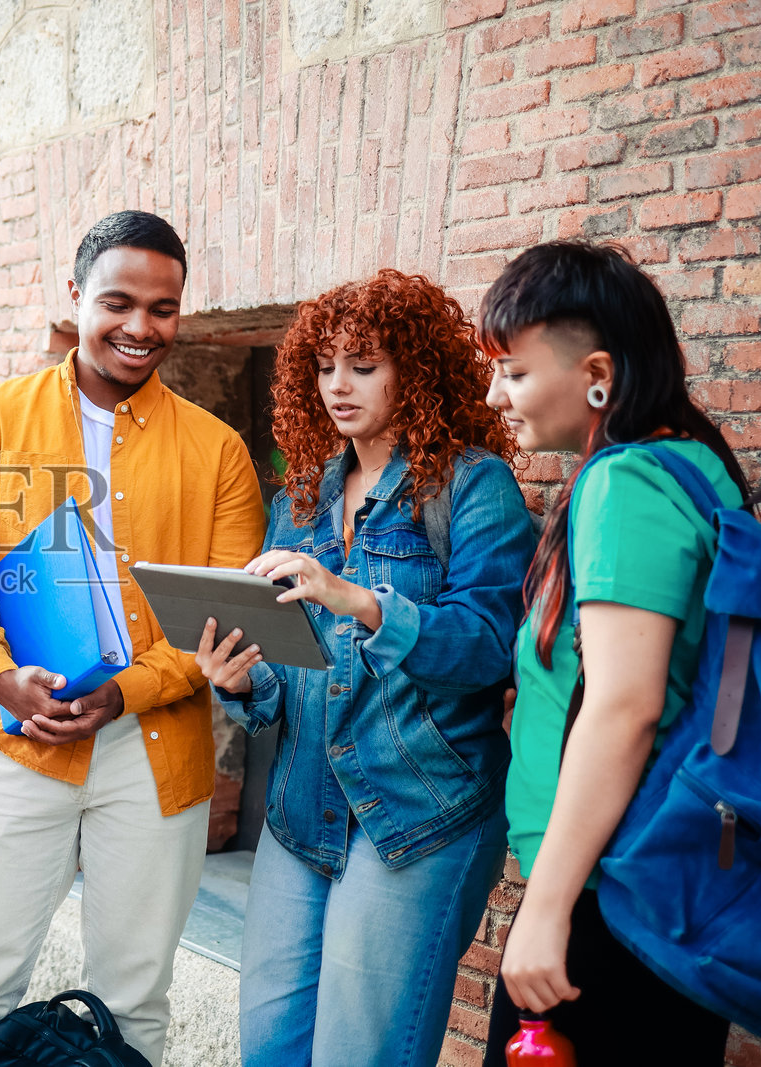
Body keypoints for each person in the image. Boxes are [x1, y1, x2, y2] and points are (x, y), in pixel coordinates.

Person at [0, 210, 268, 1067]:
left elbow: (224, 614)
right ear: (75, 297)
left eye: (164, 308)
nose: (142, 327)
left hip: (154, 752)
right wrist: (0, 677)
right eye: (119, 302)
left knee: (135, 1000)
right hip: (21, 737)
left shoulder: (219, 450)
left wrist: (123, 691)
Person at [194, 269, 535, 1067]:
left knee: (360, 1054)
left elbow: (490, 645)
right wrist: (242, 678)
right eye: (323, 366)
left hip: (417, 817)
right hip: (304, 809)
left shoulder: (470, 485)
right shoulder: (306, 495)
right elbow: (298, 666)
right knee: (271, 1046)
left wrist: (361, 601)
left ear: (413, 369)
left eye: (365, 364)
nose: (338, 386)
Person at [479, 241, 749, 1065]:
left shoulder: (625, 482)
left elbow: (626, 705)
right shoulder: (699, 465)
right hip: (658, 876)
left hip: (609, 896)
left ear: (597, 371)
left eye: (515, 372)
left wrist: (549, 906)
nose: (496, 395)